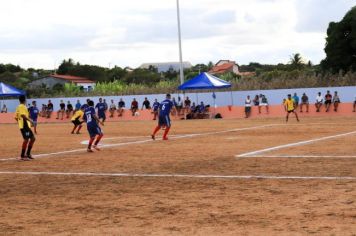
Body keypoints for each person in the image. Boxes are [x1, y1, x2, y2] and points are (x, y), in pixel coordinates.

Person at [14, 95, 36, 160]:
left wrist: (21, 123)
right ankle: (23, 155)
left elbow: (16, 117)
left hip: (25, 125)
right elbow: (23, 115)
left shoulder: (20, 107)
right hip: (24, 126)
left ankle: (27, 154)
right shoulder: (22, 106)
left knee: (32, 138)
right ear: (25, 100)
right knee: (27, 139)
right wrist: (31, 121)